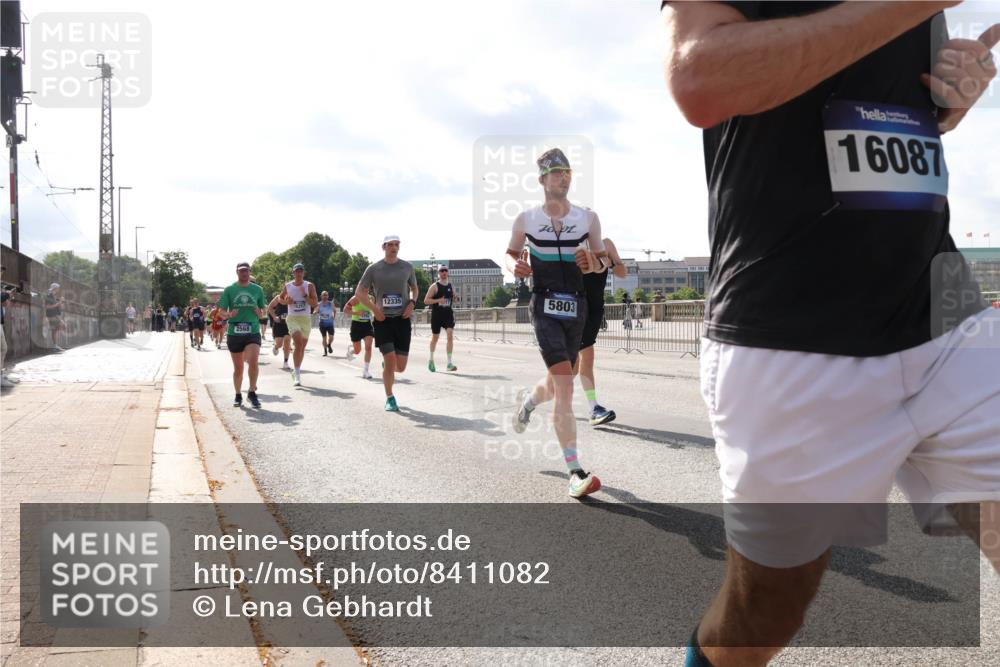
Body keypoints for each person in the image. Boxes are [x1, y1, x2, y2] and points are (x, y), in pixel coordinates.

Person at [660, 3, 1000, 666]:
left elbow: (890, 108)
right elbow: (699, 79)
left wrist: (951, 96)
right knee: (764, 612)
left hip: (946, 317)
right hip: (787, 336)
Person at [506, 148, 608, 498]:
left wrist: (591, 261)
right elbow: (510, 253)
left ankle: (527, 405)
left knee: (557, 380)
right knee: (566, 384)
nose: (563, 177)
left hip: (576, 308)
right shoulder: (526, 219)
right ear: (542, 179)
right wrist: (514, 266)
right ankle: (575, 472)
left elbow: (601, 263)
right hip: (545, 306)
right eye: (556, 172)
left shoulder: (588, 218)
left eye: (567, 172)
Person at [356, 235, 418, 411]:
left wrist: (412, 303)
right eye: (390, 245)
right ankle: (390, 398)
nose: (394, 247)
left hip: (402, 320)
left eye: (396, 244)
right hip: (383, 321)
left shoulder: (407, 267)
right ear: (383, 247)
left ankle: (387, 367)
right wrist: (375, 310)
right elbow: (360, 292)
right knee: (390, 359)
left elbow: (414, 288)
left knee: (401, 367)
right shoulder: (374, 269)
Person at [577, 238, 627, 426]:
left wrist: (612, 262)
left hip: (595, 309)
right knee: (579, 362)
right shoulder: (571, 246)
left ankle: (537, 397)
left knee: (575, 366)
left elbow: (622, 273)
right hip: (575, 307)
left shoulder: (606, 244)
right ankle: (593, 407)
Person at [219, 261, 267, 408]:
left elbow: (263, 309)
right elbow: (221, 312)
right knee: (238, 367)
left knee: (253, 362)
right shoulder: (229, 290)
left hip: (252, 330)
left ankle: (252, 392)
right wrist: (228, 314)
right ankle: (238, 394)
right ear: (237, 272)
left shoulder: (258, 289)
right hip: (235, 331)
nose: (244, 273)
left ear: (249, 272)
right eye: (241, 271)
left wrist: (261, 313)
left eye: (246, 270)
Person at [277, 263, 319, 387]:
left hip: (305, 319)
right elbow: (280, 298)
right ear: (293, 273)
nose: (299, 273)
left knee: (301, 348)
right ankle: (297, 374)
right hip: (293, 318)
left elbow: (314, 303)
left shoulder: (309, 286)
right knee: (298, 342)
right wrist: (286, 301)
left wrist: (305, 296)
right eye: (297, 271)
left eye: (301, 271)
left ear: (303, 273)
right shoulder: (288, 286)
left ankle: (296, 370)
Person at [424, 265, 458, 372]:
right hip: (437, 316)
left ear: (448, 272)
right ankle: (431, 359)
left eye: (445, 270)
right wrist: (438, 300)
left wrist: (455, 298)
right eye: (441, 271)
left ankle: (449, 363)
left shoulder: (450, 286)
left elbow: (454, 301)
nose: (444, 272)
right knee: (435, 338)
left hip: (448, 314)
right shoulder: (434, 286)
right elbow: (426, 301)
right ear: (438, 273)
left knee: (450, 335)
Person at [343, 294, 375, 379]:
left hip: (367, 325)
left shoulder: (371, 298)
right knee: (357, 351)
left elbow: (373, 310)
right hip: (356, 325)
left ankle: (366, 370)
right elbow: (345, 310)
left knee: (368, 347)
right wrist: (357, 312)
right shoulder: (355, 298)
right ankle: (351, 352)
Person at [267, 294, 292, 370]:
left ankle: (286, 362)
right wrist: (274, 317)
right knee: (280, 344)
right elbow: (270, 308)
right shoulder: (278, 298)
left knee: (287, 341)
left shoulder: (293, 297)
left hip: (289, 324)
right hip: (279, 324)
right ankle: (276, 347)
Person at [44, 283, 65, 351]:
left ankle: (55, 346)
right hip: (52, 315)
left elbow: (61, 307)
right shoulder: (49, 296)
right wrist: (58, 304)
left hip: (56, 315)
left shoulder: (55, 297)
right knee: (61, 326)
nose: (58, 290)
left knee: (56, 330)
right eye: (57, 288)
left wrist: (62, 302)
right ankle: (55, 345)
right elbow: (47, 307)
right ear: (54, 289)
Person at [315, 291, 336, 356]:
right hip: (322, 323)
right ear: (321, 296)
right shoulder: (319, 304)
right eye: (323, 295)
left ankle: (329, 345)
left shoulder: (331, 304)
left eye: (326, 295)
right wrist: (315, 312)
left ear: (328, 296)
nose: (325, 296)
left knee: (331, 337)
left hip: (330, 323)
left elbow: (335, 311)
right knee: (324, 338)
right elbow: (316, 310)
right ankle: (325, 351)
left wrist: (334, 317)